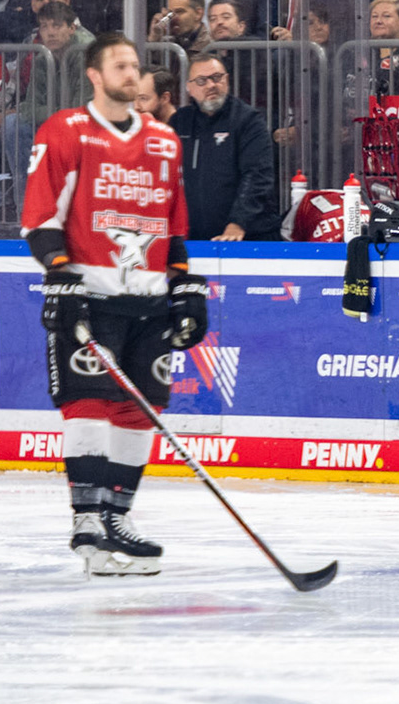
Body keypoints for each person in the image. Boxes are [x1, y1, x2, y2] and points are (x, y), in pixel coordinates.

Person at [18, 28, 203, 571]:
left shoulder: (164, 141)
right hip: (91, 298)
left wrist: (187, 288)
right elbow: (39, 219)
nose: (132, 73)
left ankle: (117, 518)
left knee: (140, 408)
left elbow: (173, 224)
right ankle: (87, 522)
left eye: (135, 65)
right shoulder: (66, 132)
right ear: (95, 76)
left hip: (148, 300)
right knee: (89, 403)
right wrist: (60, 275)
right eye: (119, 65)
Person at [171, 52, 279, 241]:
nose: (211, 85)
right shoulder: (179, 122)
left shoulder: (248, 120)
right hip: (194, 239)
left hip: (247, 239)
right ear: (189, 87)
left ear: (227, 80)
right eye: (202, 81)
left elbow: (258, 175)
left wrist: (238, 223)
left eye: (217, 78)